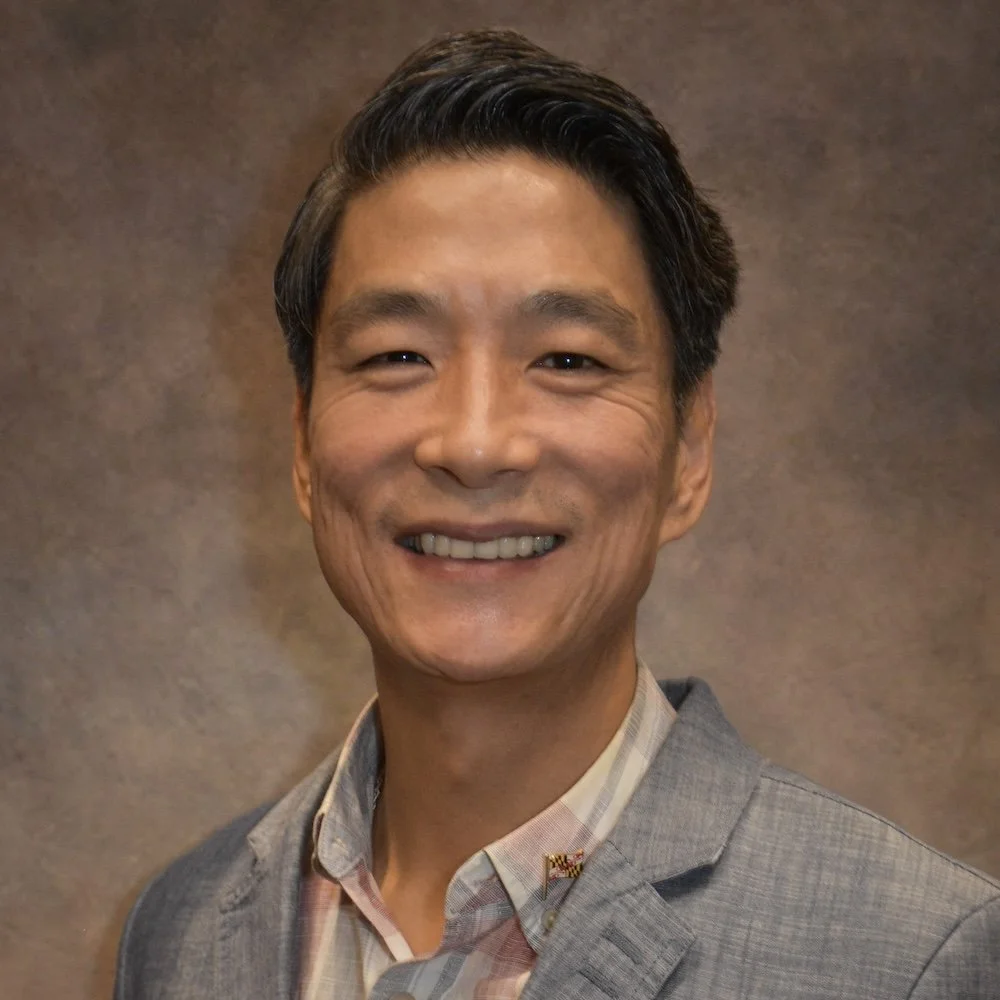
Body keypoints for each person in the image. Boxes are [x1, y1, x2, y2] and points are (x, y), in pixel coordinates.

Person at [113, 28, 1000, 1000]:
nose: (475, 442)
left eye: (567, 359)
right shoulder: (182, 930)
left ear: (687, 449)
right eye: (396, 356)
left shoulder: (912, 955)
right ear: (301, 448)